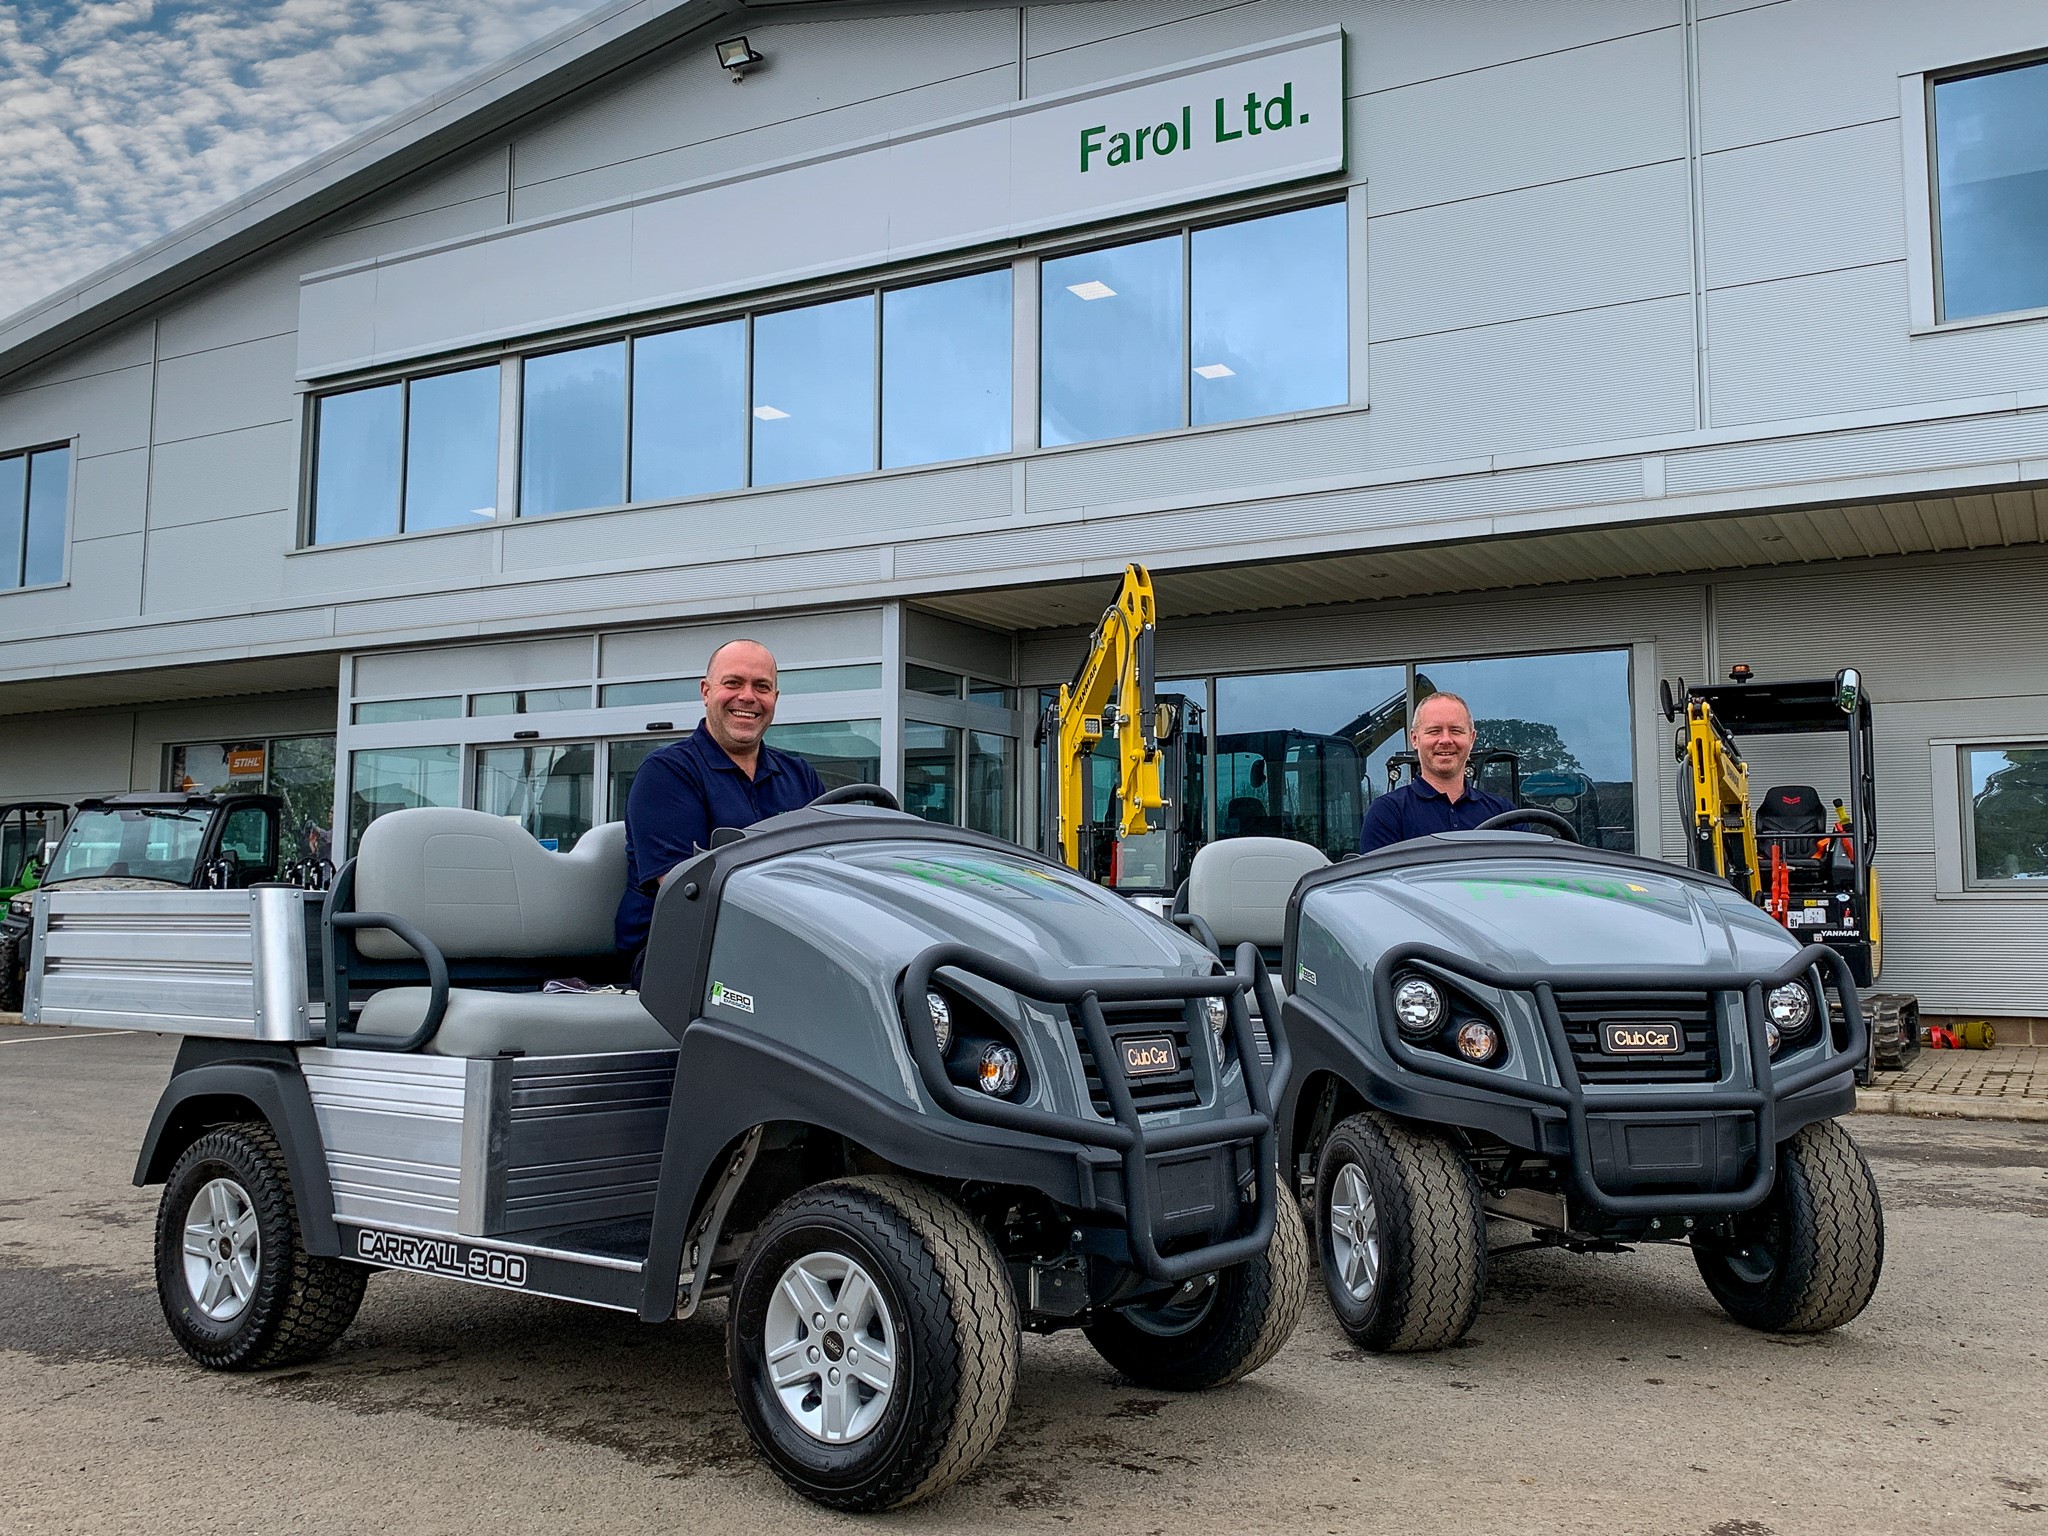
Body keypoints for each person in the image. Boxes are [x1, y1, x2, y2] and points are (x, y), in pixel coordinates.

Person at [615, 638, 824, 981]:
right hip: (674, 953)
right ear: (706, 691)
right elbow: (689, 889)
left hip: (782, 943)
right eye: (733, 683)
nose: (748, 697)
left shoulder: (800, 776)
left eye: (762, 687)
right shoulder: (667, 773)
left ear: (775, 698)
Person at [1357, 691, 1515, 854]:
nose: (1446, 740)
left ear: (1472, 739)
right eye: (1434, 731)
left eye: (1456, 731)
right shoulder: (1387, 813)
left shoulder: (1505, 813)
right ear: (1415, 739)